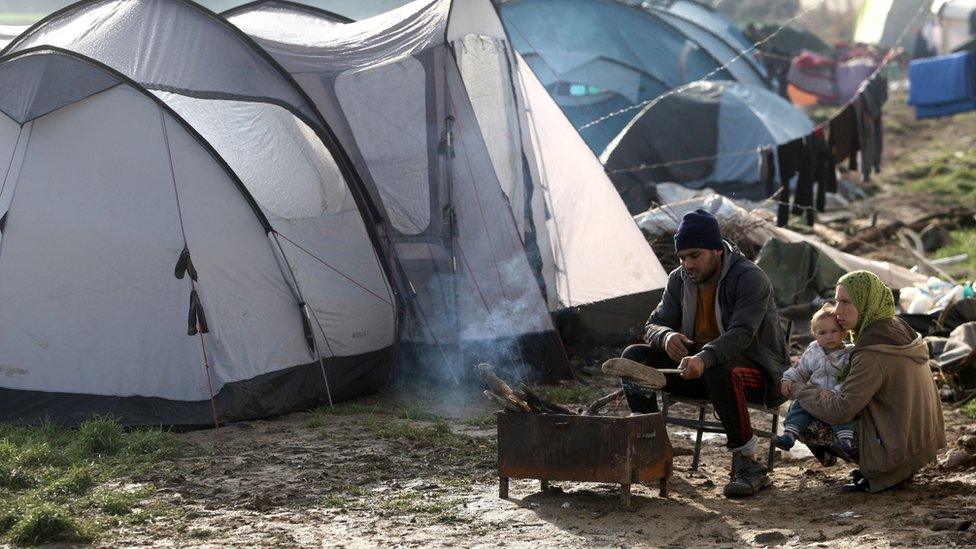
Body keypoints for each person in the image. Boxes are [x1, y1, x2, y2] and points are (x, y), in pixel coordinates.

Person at [611, 209, 789, 498]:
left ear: (717, 250)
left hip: (757, 375)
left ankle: (748, 464)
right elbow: (653, 324)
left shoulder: (749, 278)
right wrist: (666, 337)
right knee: (633, 358)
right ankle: (652, 451)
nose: (688, 264)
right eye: (682, 257)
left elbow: (741, 334)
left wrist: (704, 358)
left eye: (695, 255)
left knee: (721, 369)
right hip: (697, 370)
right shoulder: (679, 280)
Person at [797, 270, 946, 493]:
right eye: (837, 301)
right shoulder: (896, 326)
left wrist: (802, 391)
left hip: (897, 449)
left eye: (846, 302)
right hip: (921, 440)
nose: (838, 310)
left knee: (802, 413)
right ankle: (894, 467)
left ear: (865, 302)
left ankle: (884, 471)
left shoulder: (872, 352)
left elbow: (841, 410)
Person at [774, 304, 855, 460]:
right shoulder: (813, 351)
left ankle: (845, 442)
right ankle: (789, 435)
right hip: (816, 395)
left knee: (842, 413)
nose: (829, 336)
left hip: (836, 396)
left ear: (844, 333)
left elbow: (851, 379)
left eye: (834, 331)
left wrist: (834, 391)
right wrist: (788, 379)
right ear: (814, 335)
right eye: (822, 333)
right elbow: (801, 370)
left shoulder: (848, 355)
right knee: (799, 406)